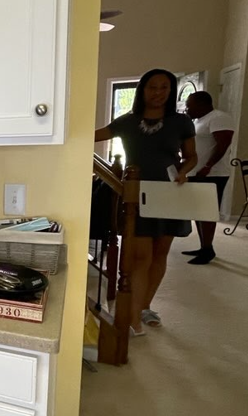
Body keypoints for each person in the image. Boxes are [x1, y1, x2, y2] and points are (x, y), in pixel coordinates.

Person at [95, 69, 197, 334]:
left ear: (170, 91)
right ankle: (132, 318)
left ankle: (144, 306)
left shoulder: (181, 121)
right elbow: (91, 136)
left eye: (164, 87)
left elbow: (191, 156)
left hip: (170, 193)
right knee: (141, 256)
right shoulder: (127, 121)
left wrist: (184, 172)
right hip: (136, 193)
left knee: (160, 253)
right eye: (153, 87)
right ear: (142, 90)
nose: (158, 93)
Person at [183, 90, 235, 264]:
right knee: (199, 211)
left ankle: (207, 249)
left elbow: (223, 144)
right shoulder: (200, 121)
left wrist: (207, 166)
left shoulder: (218, 118)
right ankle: (204, 247)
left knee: (207, 211)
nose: (187, 108)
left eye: (189, 105)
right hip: (198, 172)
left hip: (213, 173)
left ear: (202, 104)